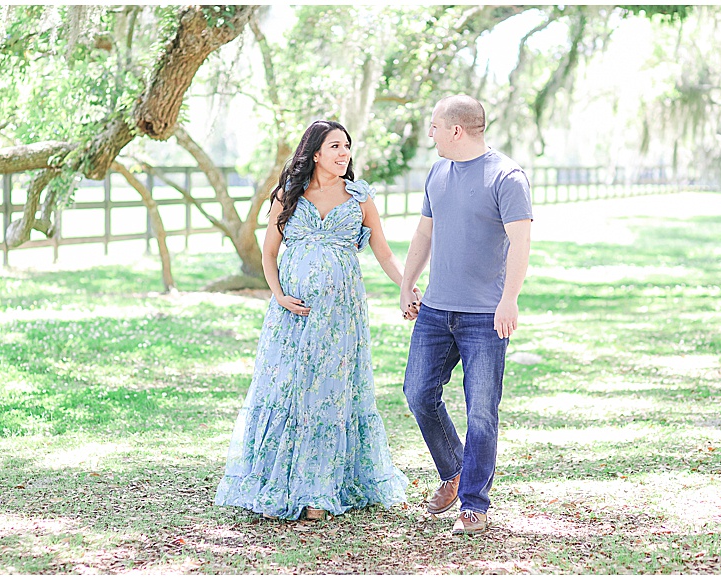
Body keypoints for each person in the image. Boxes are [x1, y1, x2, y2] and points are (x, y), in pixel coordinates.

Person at [215, 120, 417, 521]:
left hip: (341, 318)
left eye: (347, 147)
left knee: (330, 394)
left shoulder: (359, 197)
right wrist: (279, 295)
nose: (344, 154)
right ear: (316, 153)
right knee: (289, 390)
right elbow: (269, 253)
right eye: (336, 146)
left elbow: (384, 253)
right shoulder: (288, 195)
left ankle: (318, 492)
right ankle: (279, 483)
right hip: (292, 317)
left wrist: (407, 287)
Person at [400, 95, 532, 535]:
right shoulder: (437, 172)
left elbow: (520, 243)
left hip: (484, 317)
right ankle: (455, 470)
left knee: (482, 412)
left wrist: (509, 299)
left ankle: (474, 504)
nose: (430, 133)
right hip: (436, 311)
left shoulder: (507, 176)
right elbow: (424, 232)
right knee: (418, 392)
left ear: (456, 129)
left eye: (435, 125)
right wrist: (406, 283)